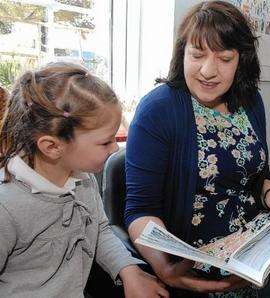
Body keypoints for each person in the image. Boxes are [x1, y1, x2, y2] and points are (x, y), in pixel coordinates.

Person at [125, 2, 270, 297]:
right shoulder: (158, 110)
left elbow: (257, 172)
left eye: (224, 58)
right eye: (197, 55)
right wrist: (163, 268)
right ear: (181, 53)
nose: (208, 70)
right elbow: (139, 210)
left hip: (257, 242)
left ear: (241, 60)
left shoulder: (250, 101)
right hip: (201, 259)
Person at [0, 62, 169, 298]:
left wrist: (127, 269)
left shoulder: (84, 180)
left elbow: (99, 230)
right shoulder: (6, 206)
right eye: (105, 142)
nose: (116, 148)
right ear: (52, 146)